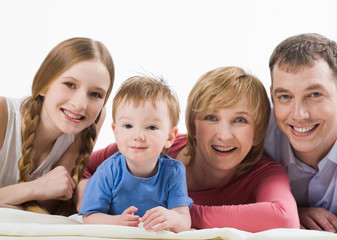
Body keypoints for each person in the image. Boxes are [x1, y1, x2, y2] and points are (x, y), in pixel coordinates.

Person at [78, 66, 300, 233]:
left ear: (258, 131)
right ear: (193, 125)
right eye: (211, 117)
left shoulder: (264, 173)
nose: (224, 135)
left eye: (240, 120)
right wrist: (84, 188)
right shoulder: (149, 145)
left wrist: (180, 212)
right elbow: (83, 165)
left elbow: (285, 219)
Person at [0, 37, 114, 215]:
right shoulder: (3, 114)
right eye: (69, 84)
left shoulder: (92, 120)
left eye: (95, 94)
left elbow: (44, 210)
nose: (80, 105)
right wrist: (34, 188)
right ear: (43, 85)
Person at [264, 33, 337, 233]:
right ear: (272, 96)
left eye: (315, 94)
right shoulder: (256, 135)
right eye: (285, 96)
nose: (299, 115)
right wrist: (290, 211)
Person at [79, 76, 193, 233]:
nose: (138, 136)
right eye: (128, 125)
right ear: (115, 132)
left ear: (170, 137)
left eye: (151, 127)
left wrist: (172, 218)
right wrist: (117, 221)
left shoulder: (174, 171)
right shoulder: (108, 171)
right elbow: (89, 217)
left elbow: (184, 220)